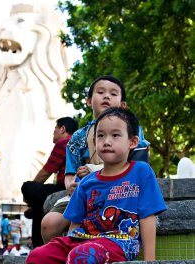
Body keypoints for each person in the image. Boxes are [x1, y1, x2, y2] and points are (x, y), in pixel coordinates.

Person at [4, 107, 167, 264]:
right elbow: (74, 226)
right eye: (101, 136)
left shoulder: (141, 173)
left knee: (80, 255)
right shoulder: (87, 182)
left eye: (115, 135)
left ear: (133, 142)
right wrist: (63, 249)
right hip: (84, 240)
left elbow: (147, 217)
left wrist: (149, 261)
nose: (106, 141)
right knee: (36, 259)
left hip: (118, 242)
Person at [41, 75, 150, 243]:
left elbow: (136, 164)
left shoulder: (132, 130)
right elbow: (71, 172)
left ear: (123, 105)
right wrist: (71, 186)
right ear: (88, 100)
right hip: (84, 192)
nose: (106, 96)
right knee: (49, 223)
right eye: (100, 92)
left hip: (120, 191)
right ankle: (58, 263)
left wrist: (92, 169)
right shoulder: (78, 137)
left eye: (113, 94)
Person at [21, 117, 78, 248]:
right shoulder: (78, 142)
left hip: (64, 187)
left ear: (62, 129)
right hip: (70, 186)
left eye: (55, 130)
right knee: (38, 204)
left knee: (28, 187)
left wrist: (30, 191)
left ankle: (38, 246)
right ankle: (39, 244)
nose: (54, 134)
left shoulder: (64, 143)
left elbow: (46, 172)